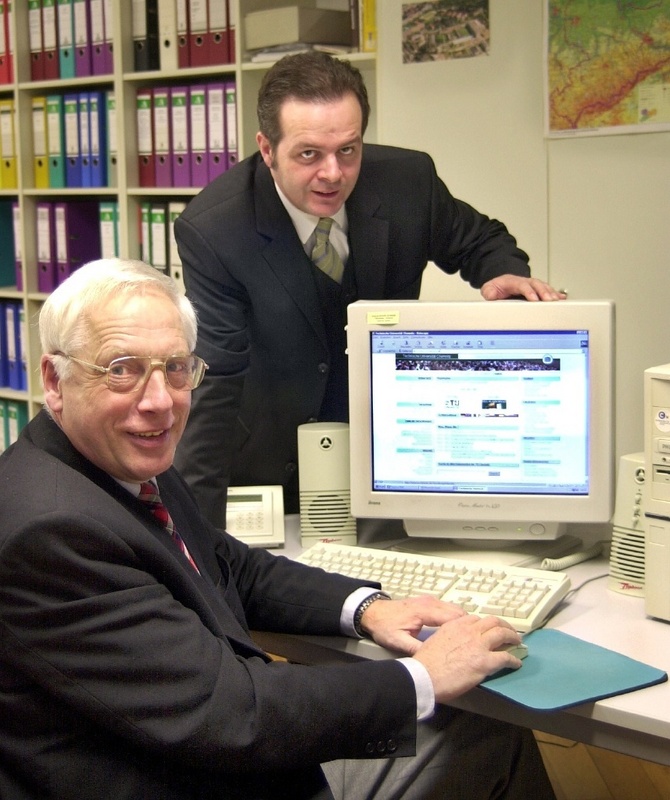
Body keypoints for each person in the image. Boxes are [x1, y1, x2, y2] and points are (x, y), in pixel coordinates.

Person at [0, 258, 556, 800]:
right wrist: (426, 676)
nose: (159, 401)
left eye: (175, 367)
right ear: (55, 378)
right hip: (185, 774)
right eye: (121, 369)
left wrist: (367, 607)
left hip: (191, 756)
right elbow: (233, 714)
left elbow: (227, 566)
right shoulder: (52, 532)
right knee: (484, 732)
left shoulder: (115, 462)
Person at [173, 51, 567, 527]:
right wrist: (195, 539)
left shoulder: (408, 182)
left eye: (348, 149)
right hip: (270, 456)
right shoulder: (216, 229)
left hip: (390, 447)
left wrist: (501, 271)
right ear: (267, 148)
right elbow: (215, 380)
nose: (333, 173)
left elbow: (480, 240)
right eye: (308, 154)